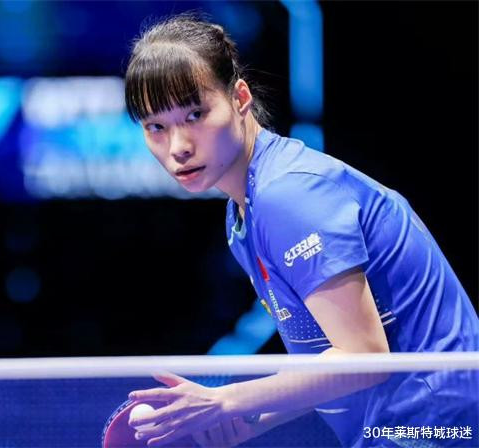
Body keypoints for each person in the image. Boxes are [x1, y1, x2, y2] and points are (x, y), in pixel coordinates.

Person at [122, 13, 479, 448]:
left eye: (195, 114)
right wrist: (248, 420)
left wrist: (226, 400)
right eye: (156, 127)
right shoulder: (243, 215)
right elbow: (328, 360)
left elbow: (365, 358)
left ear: (239, 98)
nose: (178, 147)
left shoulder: (287, 195)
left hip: (441, 427)